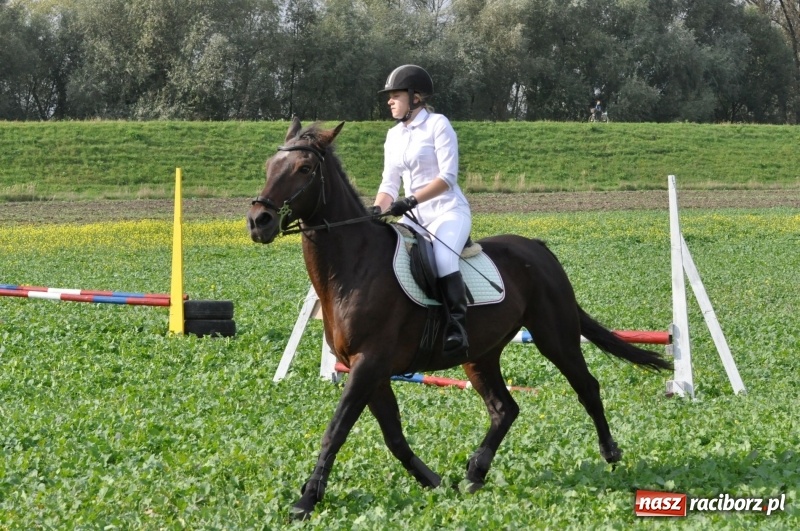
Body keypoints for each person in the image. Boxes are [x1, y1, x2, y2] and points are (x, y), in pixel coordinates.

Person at [372, 64, 472, 359]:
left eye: (396, 95)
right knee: (389, 255)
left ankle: (457, 327)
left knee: (442, 258)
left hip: (447, 211)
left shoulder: (438, 125)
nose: (390, 101)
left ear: (415, 98)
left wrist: (411, 200)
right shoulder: (393, 136)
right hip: (413, 218)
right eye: (389, 97)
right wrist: (376, 209)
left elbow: (447, 178)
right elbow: (389, 184)